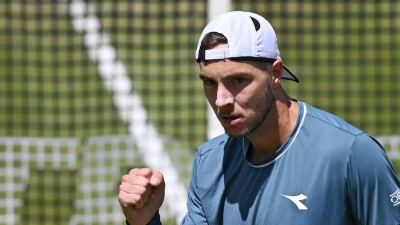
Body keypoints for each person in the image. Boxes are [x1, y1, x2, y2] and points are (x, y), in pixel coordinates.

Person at [118, 11, 400, 225]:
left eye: (238, 80)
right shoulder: (210, 163)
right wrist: (144, 221)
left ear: (275, 73)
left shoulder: (351, 154)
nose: (221, 100)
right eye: (209, 83)